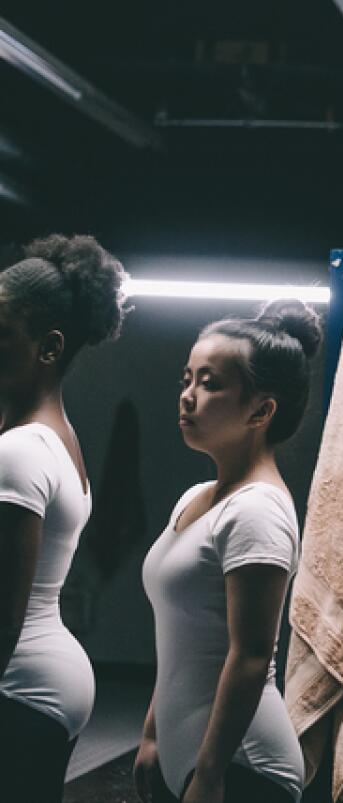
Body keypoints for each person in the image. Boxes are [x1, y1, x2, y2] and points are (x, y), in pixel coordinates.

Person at [136, 300, 319, 803]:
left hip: (244, 768)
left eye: (210, 383)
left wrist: (211, 773)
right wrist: (153, 732)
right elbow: (181, 640)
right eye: (187, 379)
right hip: (194, 759)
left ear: (261, 410)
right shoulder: (197, 498)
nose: (188, 397)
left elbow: (251, 654)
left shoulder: (257, 511)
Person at [0, 234, 128, 802]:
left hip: (19, 682)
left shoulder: (21, 451)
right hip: (49, 678)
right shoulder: (59, 438)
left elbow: (1, 621)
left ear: (49, 348)